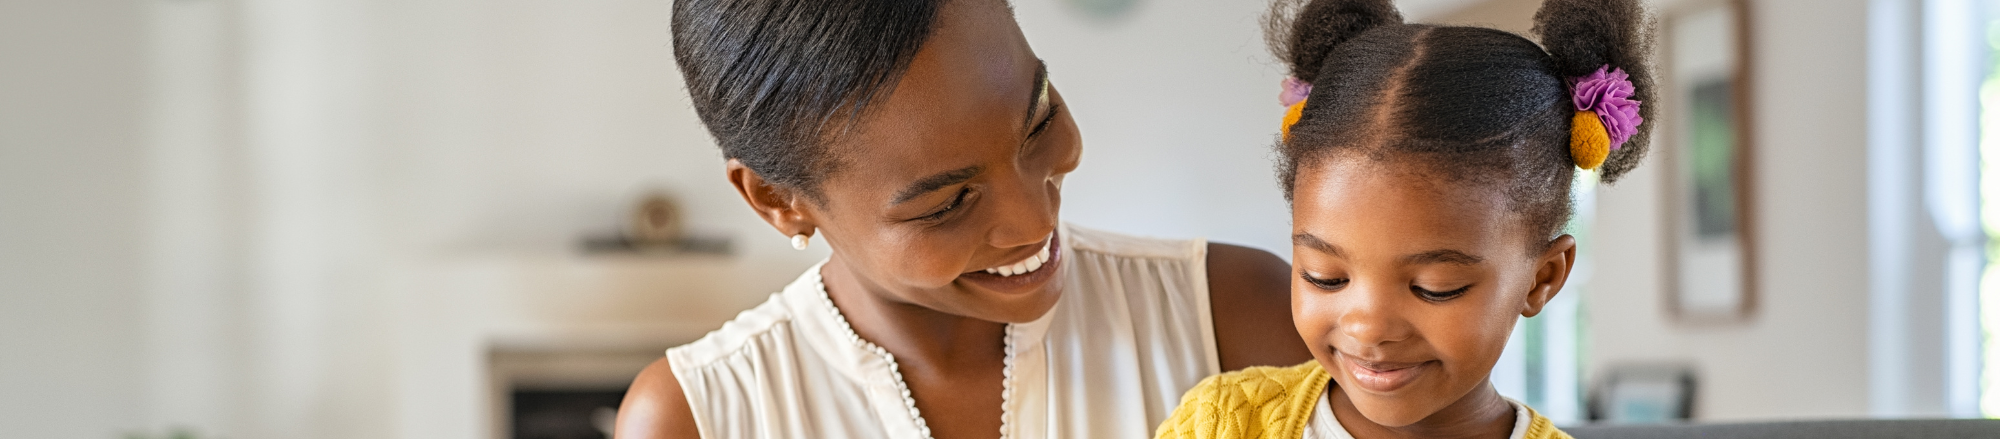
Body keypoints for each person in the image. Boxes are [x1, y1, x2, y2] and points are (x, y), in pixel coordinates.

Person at [614, 0, 1313, 437]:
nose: (1032, 219)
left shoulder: (1232, 314)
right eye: (945, 203)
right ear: (777, 199)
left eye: (1039, 122)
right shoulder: (697, 418)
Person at [1154, 0, 1655, 438]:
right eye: (1324, 277)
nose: (1368, 327)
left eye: (1435, 287)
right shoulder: (1222, 423)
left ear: (1541, 278)